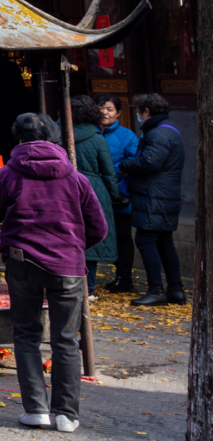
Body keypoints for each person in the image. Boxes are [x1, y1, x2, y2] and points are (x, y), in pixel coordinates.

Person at [0, 112, 106, 430]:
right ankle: (66, 414)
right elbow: (99, 228)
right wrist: (72, 246)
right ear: (51, 137)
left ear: (17, 139)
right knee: (65, 340)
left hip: (23, 264)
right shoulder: (76, 178)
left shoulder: (6, 175)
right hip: (69, 266)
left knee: (26, 335)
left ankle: (36, 408)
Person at [118, 93, 186, 305]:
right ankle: (175, 289)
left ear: (146, 112)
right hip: (163, 195)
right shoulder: (170, 129)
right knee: (164, 241)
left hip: (154, 195)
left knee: (146, 240)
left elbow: (149, 162)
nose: (138, 116)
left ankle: (156, 290)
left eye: (139, 112)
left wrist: (125, 165)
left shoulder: (158, 134)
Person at [69, 96, 121, 292]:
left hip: (66, 188)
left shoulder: (57, 135)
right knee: (91, 233)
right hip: (94, 189)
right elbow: (109, 172)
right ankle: (89, 287)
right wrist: (115, 196)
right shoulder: (97, 139)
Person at [97, 96, 140, 292]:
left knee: (122, 237)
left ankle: (124, 278)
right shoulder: (89, 133)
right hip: (94, 196)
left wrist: (111, 172)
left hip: (119, 194)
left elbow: (134, 162)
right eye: (101, 108)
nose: (105, 112)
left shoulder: (127, 136)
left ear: (119, 113)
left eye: (110, 109)